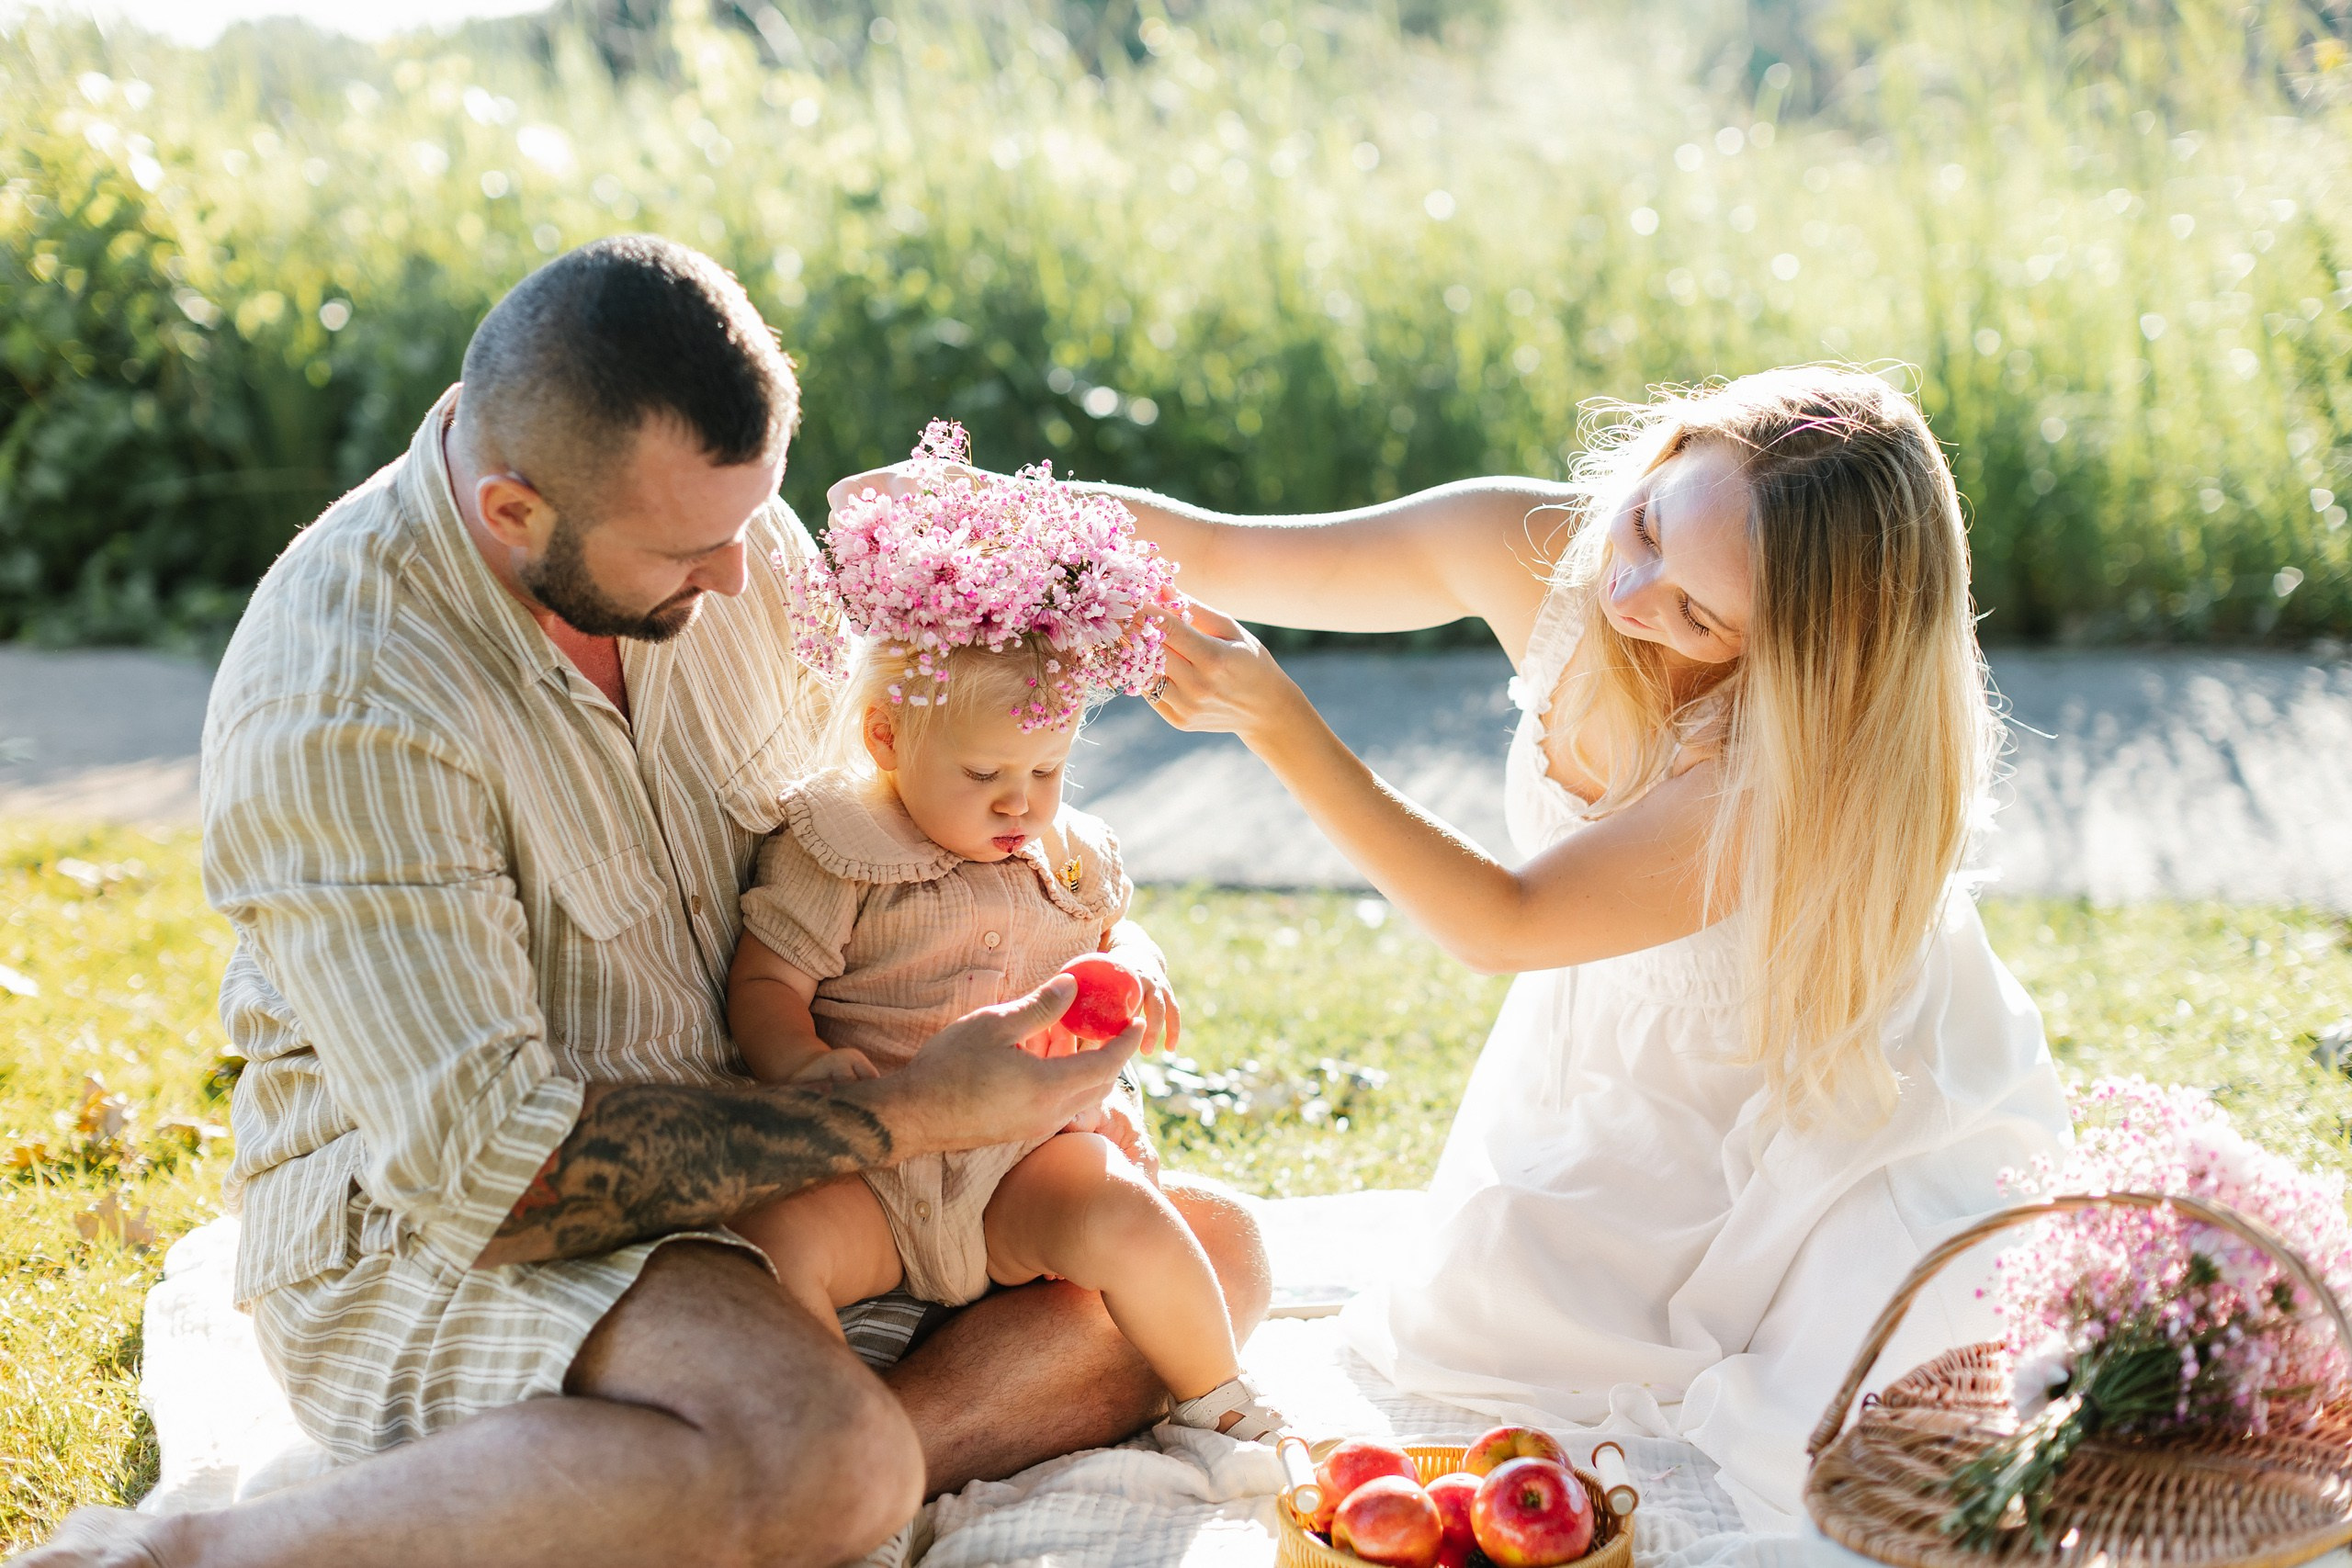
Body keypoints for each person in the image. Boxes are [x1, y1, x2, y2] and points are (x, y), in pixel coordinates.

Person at [13, 238, 1268, 1568]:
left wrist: (1033, 976)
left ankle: (768, 1480)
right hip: (460, 1237)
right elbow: (497, 1177)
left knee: (1215, 1257)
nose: (745, 574)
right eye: (692, 545)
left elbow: (882, 825)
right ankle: (181, 1555)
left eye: (751, 520)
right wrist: (913, 1109)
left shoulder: (726, 543)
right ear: (513, 512)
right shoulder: (349, 701)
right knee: (826, 1443)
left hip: (768, 1170)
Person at [1106, 365, 2070, 1526]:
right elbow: (1222, 550)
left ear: (1796, 648)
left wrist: (1275, 719)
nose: (1630, 592)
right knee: (1480, 1325)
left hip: (1816, 1129)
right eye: (1650, 526)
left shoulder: (1774, 773)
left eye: (1699, 615)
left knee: (1886, 1449)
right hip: (1611, 1070)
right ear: (1663, 456)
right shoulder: (1540, 545)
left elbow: (1500, 925)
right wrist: (996, 519)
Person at [727, 425, 1284, 1440]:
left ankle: (1224, 1407)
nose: (1019, 804)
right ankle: (825, 1447)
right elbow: (767, 984)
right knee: (769, 1251)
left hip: (1022, 1162)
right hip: (878, 1158)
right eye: (985, 777)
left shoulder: (1069, 852)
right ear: (887, 737)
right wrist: (801, 1064)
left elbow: (1112, 932)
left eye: (1047, 772)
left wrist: (1134, 959)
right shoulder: (839, 843)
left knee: (1132, 1219)